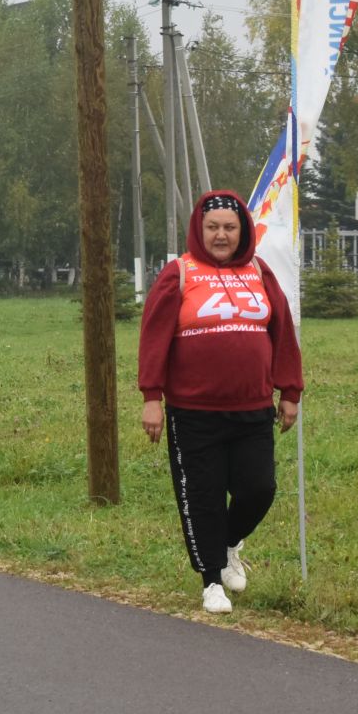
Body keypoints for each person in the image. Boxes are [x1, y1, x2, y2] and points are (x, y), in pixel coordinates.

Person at [136, 191, 303, 615]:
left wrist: (290, 392)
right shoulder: (180, 273)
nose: (221, 235)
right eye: (213, 228)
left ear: (243, 229)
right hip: (194, 414)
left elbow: (281, 334)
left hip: (252, 408)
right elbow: (154, 338)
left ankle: (229, 544)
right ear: (199, 230)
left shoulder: (259, 272)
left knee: (259, 489)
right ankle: (211, 581)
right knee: (203, 498)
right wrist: (151, 398)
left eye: (230, 227)